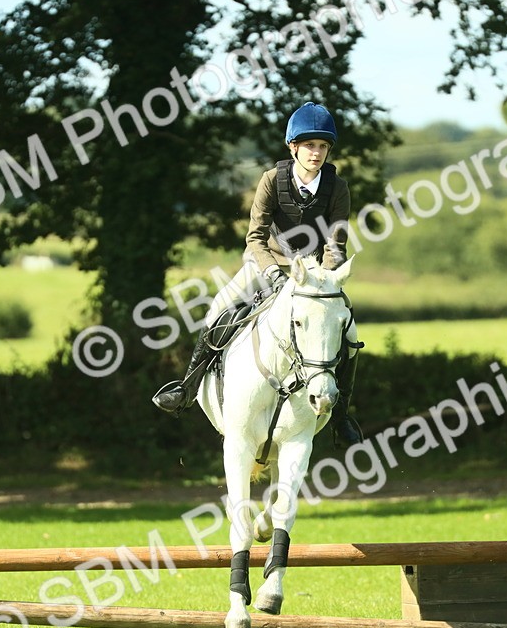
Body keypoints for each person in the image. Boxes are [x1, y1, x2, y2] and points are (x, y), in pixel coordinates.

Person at [151, 102, 363, 446]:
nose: (316, 152)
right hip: (265, 263)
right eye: (309, 145)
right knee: (219, 308)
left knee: (350, 332)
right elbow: (255, 237)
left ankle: (341, 416)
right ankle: (187, 388)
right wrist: (274, 273)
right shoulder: (271, 180)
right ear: (293, 147)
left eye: (323, 146)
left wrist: (322, 279)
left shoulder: (337, 188)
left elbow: (335, 243)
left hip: (312, 273)